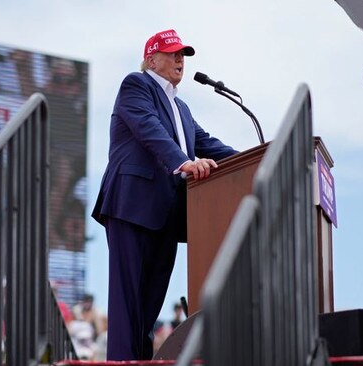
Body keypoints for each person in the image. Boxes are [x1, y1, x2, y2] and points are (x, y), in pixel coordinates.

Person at [91, 29, 238, 360]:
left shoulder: (181, 108)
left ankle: (140, 360)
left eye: (183, 54)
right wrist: (184, 163)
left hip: (167, 216)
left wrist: (260, 158)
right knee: (127, 305)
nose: (180, 60)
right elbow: (149, 130)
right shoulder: (136, 85)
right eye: (172, 53)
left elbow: (209, 144)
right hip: (132, 206)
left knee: (148, 308)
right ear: (151, 59)